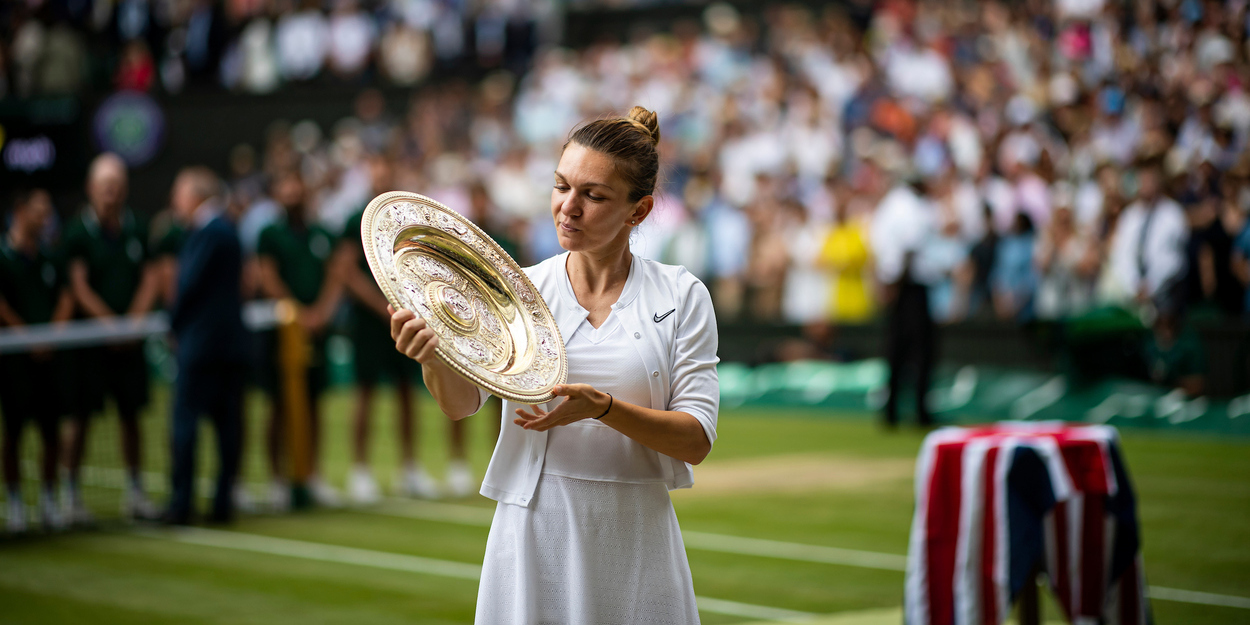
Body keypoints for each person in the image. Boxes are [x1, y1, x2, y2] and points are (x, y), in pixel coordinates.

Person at [390, 106, 719, 622]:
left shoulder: (682, 294)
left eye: (594, 195)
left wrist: (604, 409)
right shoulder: (518, 288)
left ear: (640, 210)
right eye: (561, 186)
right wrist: (432, 358)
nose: (569, 207)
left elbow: (696, 439)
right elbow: (460, 405)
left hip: (636, 537)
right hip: (533, 531)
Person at [335, 154, 469, 504]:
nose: (382, 176)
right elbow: (346, 271)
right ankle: (360, 470)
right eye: (376, 172)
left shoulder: (402, 217)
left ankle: (409, 468)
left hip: (404, 316)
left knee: (407, 392)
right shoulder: (354, 219)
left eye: (387, 170)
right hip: (370, 320)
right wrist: (383, 307)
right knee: (364, 392)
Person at [62, 153, 162, 524]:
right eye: (106, 187)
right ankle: (69, 495)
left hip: (129, 342)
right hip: (91, 344)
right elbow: (78, 285)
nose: (112, 194)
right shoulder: (76, 233)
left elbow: (151, 278)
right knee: (81, 418)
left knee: (131, 416)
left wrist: (132, 324)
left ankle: (135, 492)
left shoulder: (137, 227)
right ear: (91, 189)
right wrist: (110, 326)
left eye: (117, 187)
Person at [165, 167, 249, 524]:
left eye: (178, 194)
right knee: (228, 428)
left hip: (202, 347)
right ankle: (220, 503)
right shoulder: (227, 230)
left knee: (187, 425)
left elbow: (189, 285)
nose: (174, 202)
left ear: (194, 196)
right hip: (228, 347)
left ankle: (182, 505)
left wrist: (174, 325)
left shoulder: (209, 232)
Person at [256, 169, 342, 508]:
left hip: (316, 330)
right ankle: (277, 480)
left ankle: (312, 475)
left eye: (297, 183)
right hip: (280, 332)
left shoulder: (322, 233)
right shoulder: (269, 234)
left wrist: (321, 312)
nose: (292, 190)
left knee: (315, 403)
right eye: (286, 184)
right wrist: (297, 314)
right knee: (277, 404)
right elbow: (266, 277)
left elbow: (336, 275)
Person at [0, 189, 74, 532]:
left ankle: (48, 500)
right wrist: (27, 338)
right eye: (38, 210)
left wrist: (51, 337)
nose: (44, 216)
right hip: (15, 360)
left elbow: (65, 296)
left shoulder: (50, 255)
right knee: (13, 434)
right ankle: (14, 504)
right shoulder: (3, 254)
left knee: (50, 433)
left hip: (50, 358)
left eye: (48, 210)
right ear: (20, 209)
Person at [870, 171, 938, 427]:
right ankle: (919, 412)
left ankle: (891, 411)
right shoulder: (909, 205)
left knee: (895, 350)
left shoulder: (890, 205)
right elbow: (908, 247)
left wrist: (887, 283)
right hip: (909, 286)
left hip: (898, 283)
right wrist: (896, 284)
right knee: (920, 352)